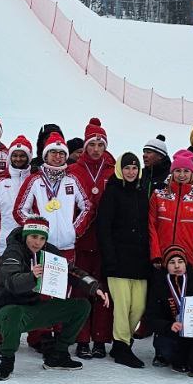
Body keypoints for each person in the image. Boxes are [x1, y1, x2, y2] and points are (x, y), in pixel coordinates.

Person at [0, 217, 109, 379]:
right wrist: (31, 277)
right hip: (5, 312)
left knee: (81, 306)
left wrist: (95, 287)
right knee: (14, 311)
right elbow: (10, 282)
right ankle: (7, 360)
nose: (37, 242)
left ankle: (59, 355)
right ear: (25, 236)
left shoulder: (49, 251)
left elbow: (70, 271)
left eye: (42, 238)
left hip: (33, 310)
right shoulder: (13, 252)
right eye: (34, 237)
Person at [95, 151, 151, 368]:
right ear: (120, 169)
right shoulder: (112, 193)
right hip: (118, 260)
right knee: (122, 305)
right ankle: (121, 345)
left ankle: (124, 341)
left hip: (139, 260)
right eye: (127, 167)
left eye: (135, 168)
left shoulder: (141, 193)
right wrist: (109, 258)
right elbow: (104, 228)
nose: (131, 171)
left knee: (138, 307)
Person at [67, 118, 116, 358]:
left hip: (105, 241)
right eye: (92, 145)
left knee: (104, 290)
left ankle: (100, 338)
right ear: (85, 147)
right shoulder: (74, 170)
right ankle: (82, 338)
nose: (96, 149)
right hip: (81, 240)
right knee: (81, 289)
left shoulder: (112, 170)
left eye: (100, 144)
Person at [146, 245, 193, 377]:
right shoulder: (159, 286)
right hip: (173, 333)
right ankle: (177, 360)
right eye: (172, 262)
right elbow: (151, 318)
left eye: (180, 262)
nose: (177, 266)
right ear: (165, 265)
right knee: (167, 349)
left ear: (186, 264)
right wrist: (169, 326)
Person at [14, 132, 91, 257]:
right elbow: (19, 210)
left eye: (61, 153)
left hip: (67, 247)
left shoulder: (73, 180)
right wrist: (36, 229)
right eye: (53, 152)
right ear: (46, 156)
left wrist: (74, 230)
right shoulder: (34, 180)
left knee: (67, 277)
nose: (57, 156)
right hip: (41, 246)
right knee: (40, 277)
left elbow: (87, 206)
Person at [148, 149, 193, 274]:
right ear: (172, 172)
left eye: (186, 171)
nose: (182, 175)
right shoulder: (158, 195)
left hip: (189, 261)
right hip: (162, 260)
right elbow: (152, 227)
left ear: (192, 173)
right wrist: (155, 255)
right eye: (178, 170)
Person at [0, 135, 33, 258]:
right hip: (5, 244)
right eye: (15, 155)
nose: (18, 159)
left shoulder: (35, 180)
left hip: (32, 244)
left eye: (22, 155)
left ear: (29, 157)